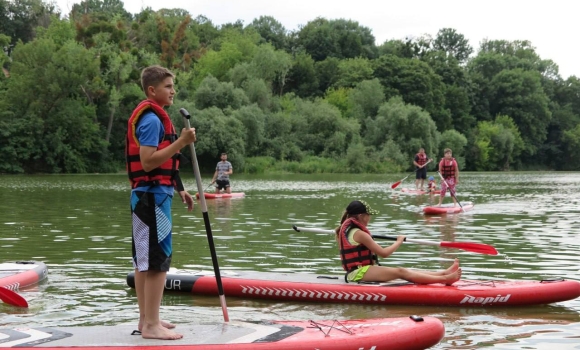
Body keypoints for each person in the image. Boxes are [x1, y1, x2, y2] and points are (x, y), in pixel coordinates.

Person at [126, 65, 196, 340]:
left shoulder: (155, 117)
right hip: (152, 197)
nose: (173, 90)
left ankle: (146, 320)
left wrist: (179, 188)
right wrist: (180, 142)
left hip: (150, 194)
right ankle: (152, 325)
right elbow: (147, 161)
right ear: (152, 90)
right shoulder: (153, 119)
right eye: (168, 86)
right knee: (157, 262)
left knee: (145, 260)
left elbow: (162, 163)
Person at [334, 200, 461, 285]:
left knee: (405, 270)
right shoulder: (359, 233)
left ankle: (443, 273)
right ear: (362, 216)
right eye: (369, 215)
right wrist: (399, 241)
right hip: (357, 274)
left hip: (361, 270)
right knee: (401, 272)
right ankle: (445, 279)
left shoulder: (348, 230)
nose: (370, 218)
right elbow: (384, 253)